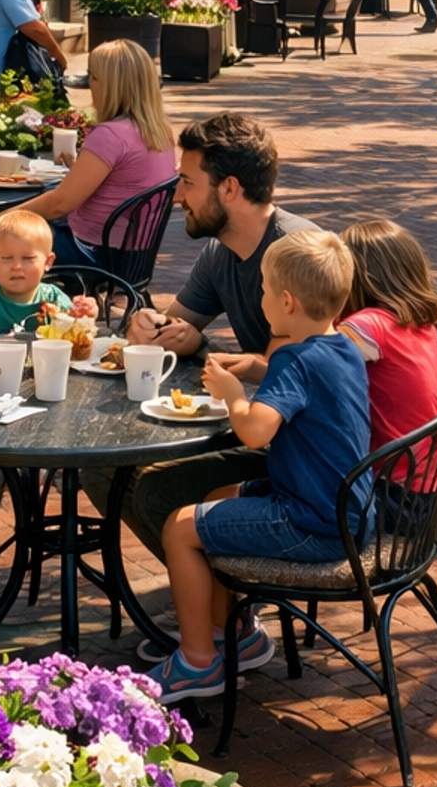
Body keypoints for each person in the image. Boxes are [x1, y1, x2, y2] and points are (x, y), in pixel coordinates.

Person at [151, 230, 370, 703]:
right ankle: (233, 634)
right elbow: (304, 382)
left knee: (178, 527)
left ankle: (197, 662)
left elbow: (256, 432)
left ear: (286, 302)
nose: (261, 298)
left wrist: (232, 396)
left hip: (312, 522)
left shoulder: (293, 359)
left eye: (265, 291)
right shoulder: (341, 346)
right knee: (216, 498)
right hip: (348, 510)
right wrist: (252, 369)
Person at [116, 114, 316, 585]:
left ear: (228, 189)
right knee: (106, 475)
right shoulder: (221, 251)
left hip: (310, 464)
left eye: (186, 182)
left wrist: (209, 351)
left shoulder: (298, 257)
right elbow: (180, 322)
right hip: (270, 435)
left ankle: (229, 623)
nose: (177, 196)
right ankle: (215, 608)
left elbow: (310, 374)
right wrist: (147, 325)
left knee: (154, 489)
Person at [0, 40, 175, 267]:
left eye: (93, 78)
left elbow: (59, 204)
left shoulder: (111, 135)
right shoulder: (160, 131)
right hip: (135, 255)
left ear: (112, 86)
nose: (89, 85)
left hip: (93, 251)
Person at [339, 218, 437, 466]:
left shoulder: (368, 327)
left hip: (387, 486)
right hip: (427, 479)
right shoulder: (418, 322)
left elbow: (311, 373)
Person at [0, 209, 98, 334]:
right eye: (6, 258)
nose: (16, 266)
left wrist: (86, 315)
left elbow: (76, 331)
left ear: (48, 262)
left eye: (27, 258)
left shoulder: (54, 298)